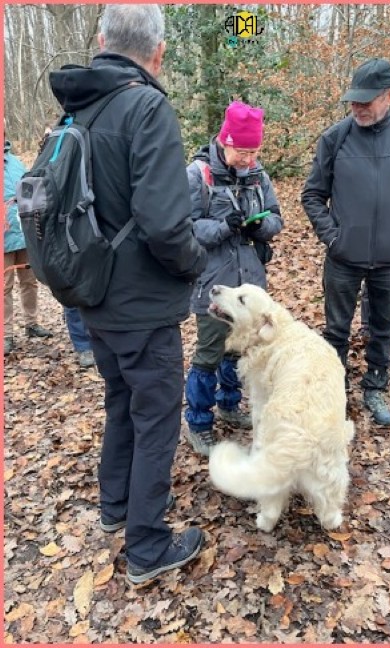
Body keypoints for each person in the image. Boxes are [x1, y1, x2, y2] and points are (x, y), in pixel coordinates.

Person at [48, 4, 207, 585]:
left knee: (121, 400)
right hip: (142, 305)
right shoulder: (146, 107)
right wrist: (195, 263)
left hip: (94, 295)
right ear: (159, 52)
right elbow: (165, 224)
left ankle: (115, 506)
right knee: (156, 418)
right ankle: (147, 547)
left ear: (101, 40)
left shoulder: (78, 107)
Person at [302, 58, 390, 426]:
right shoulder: (335, 137)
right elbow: (312, 195)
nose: (357, 107)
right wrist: (334, 237)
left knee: (383, 330)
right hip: (344, 258)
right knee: (336, 329)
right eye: (353, 101)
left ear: (389, 96)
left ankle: (375, 387)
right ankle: (334, 389)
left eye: (366, 100)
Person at [184, 100, 283, 455]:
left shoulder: (258, 176)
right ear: (224, 141)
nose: (248, 159)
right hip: (213, 282)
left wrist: (260, 228)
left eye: (254, 152)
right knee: (209, 353)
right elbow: (186, 227)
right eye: (242, 151)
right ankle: (198, 423)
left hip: (249, 282)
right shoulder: (198, 175)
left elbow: (276, 217)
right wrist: (224, 226)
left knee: (239, 349)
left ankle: (229, 404)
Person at [359, 81, 390, 337]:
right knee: (370, 285)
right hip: (359, 238)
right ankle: (367, 326)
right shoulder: (345, 136)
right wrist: (333, 235)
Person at [4, 138, 52, 355]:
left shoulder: (16, 163)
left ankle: (31, 324)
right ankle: (6, 334)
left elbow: (31, 195)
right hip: (4, 238)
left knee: (29, 282)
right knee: (4, 287)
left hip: (24, 235)